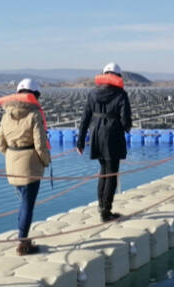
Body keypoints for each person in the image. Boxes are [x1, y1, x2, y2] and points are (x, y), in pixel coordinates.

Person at [0, 78, 52, 256]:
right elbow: (40, 144)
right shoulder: (34, 114)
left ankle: (23, 237)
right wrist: (45, 161)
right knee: (28, 204)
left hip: (11, 163)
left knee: (23, 202)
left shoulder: (6, 114)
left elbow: (0, 144)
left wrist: (12, 157)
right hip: (30, 165)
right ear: (34, 95)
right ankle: (22, 242)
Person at [77, 62, 133, 222]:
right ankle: (106, 211)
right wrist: (126, 128)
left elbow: (85, 118)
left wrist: (80, 141)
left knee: (103, 171)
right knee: (112, 173)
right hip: (113, 135)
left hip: (96, 134)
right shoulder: (121, 94)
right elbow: (126, 120)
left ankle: (101, 205)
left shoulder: (93, 93)